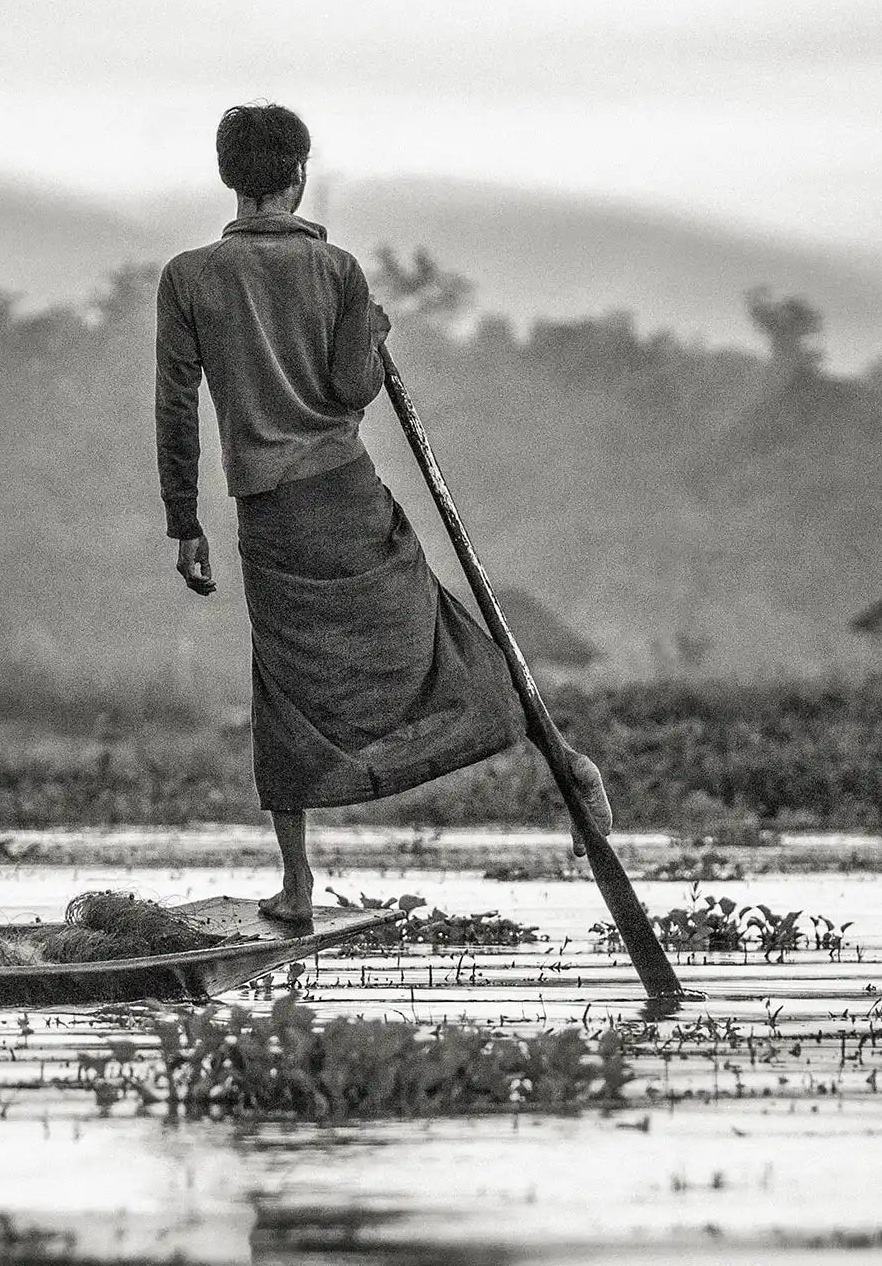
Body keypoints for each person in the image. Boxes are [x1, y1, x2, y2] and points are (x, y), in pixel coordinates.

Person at [156, 103, 602, 927]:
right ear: (298, 176)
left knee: (282, 687)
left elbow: (176, 406)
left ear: (228, 177)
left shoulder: (189, 276)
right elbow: (352, 387)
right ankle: (564, 760)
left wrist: (184, 522)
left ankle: (297, 882)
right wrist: (371, 325)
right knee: (443, 638)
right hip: (346, 495)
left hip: (268, 513)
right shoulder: (336, 270)